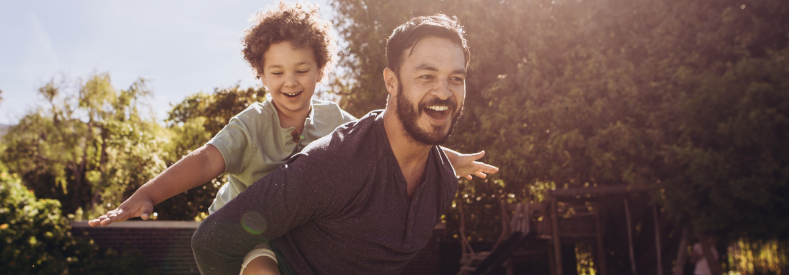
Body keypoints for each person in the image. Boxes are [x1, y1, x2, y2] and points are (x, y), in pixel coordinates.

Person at [87, 3, 495, 274]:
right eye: (277, 73)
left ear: (320, 71)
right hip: (248, 225)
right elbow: (206, 161)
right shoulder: (253, 125)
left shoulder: (337, 121)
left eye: (302, 70)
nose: (290, 82)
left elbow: (385, 144)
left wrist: (451, 159)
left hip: (289, 223)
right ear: (261, 76)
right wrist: (149, 194)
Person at [191, 14, 475, 274]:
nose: (443, 91)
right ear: (391, 82)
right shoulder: (332, 162)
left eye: (456, 78)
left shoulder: (442, 184)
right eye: (426, 76)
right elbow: (212, 242)